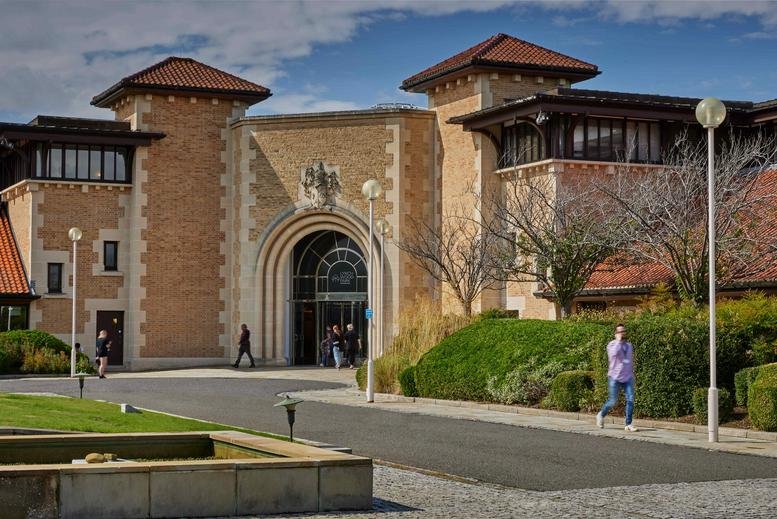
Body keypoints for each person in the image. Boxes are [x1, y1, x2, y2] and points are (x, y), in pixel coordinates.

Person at [596, 323, 638, 432]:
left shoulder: (629, 346)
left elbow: (629, 361)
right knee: (613, 401)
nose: (622, 333)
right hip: (614, 377)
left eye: (623, 331)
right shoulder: (611, 345)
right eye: (619, 331)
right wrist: (618, 342)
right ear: (615, 334)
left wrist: (632, 374)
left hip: (628, 377)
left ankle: (628, 424)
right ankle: (601, 415)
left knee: (630, 399)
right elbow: (613, 355)